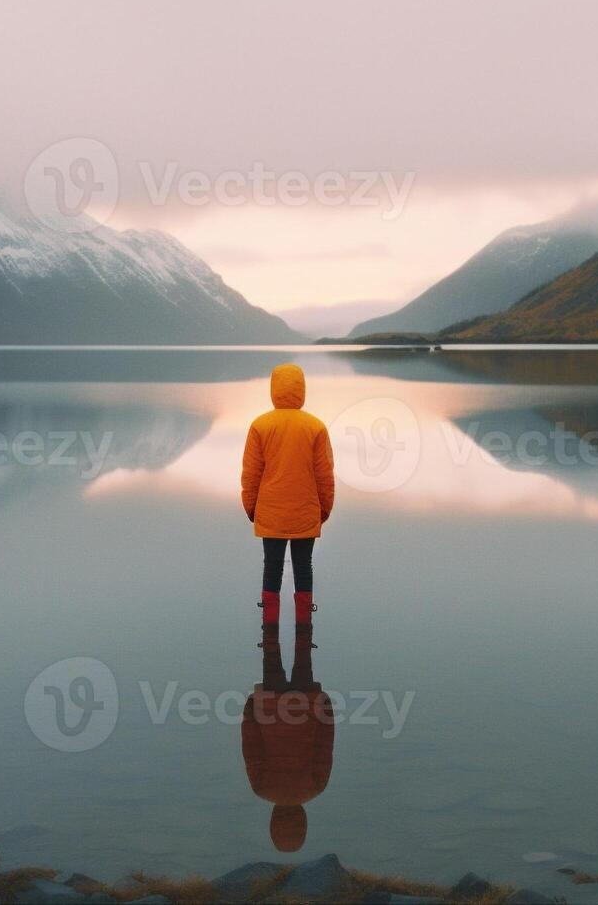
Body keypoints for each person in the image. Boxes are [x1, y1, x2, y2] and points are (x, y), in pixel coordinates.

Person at [240, 363, 336, 632]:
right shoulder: (315, 427)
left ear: (273, 389)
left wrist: (251, 508)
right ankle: (304, 627)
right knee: (303, 566)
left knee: (272, 568)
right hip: (306, 510)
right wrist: (324, 510)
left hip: (270, 511)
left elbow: (251, 474)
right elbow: (325, 475)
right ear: (301, 389)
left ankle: (269, 629)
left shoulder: (260, 425)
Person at [240, 626, 333, 852]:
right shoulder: (261, 789)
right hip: (270, 705)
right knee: (271, 653)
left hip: (307, 704)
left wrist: (325, 707)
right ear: (273, 823)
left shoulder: (316, 788)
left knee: (303, 655)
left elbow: (324, 743)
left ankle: (303, 599)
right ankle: (271, 599)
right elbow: (252, 746)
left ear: (302, 823)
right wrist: (252, 708)